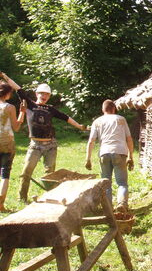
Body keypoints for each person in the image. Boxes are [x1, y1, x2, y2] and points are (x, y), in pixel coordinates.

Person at [0, 72, 87, 202]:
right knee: (26, 172)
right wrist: (5, 76)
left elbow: (66, 117)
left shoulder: (51, 109)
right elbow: (18, 89)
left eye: (47, 94)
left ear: (49, 96)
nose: (44, 96)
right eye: (42, 93)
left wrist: (79, 126)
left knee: (50, 175)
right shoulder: (30, 104)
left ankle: (49, 197)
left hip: (51, 146)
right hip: (35, 145)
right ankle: (22, 197)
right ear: (37, 94)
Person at [86, 99, 134, 211]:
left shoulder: (97, 122)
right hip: (120, 152)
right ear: (114, 109)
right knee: (122, 183)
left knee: (106, 183)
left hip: (104, 153)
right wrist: (131, 156)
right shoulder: (121, 119)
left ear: (103, 110)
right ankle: (122, 204)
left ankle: (108, 208)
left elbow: (91, 141)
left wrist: (88, 159)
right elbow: (129, 139)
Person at [0, 82, 26, 211]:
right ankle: (0, 204)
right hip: (6, 143)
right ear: (8, 93)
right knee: (5, 173)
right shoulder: (9, 107)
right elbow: (16, 127)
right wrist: (22, 112)